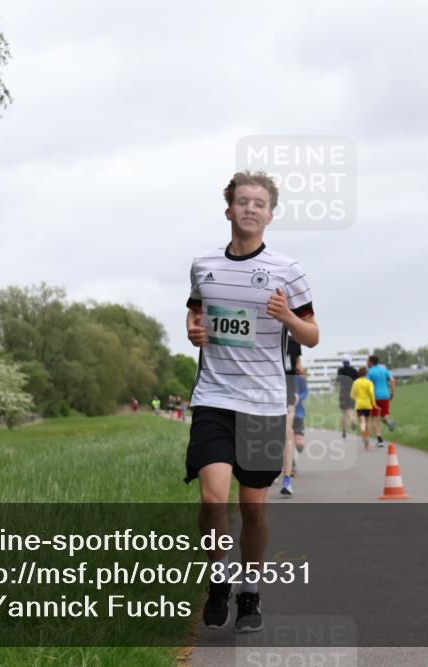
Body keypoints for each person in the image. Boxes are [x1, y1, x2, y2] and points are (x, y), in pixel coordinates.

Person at [185, 170, 318, 633]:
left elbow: (313, 334)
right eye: (242, 201)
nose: (250, 209)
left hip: (262, 402)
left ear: (270, 214)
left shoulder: (287, 270)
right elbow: (195, 309)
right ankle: (219, 579)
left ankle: (251, 592)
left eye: (259, 203)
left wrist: (287, 317)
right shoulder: (204, 265)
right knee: (212, 498)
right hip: (215, 398)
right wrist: (192, 329)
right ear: (229, 210)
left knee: (254, 508)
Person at [281, 337, 303, 496]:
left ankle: (286, 480)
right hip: (265, 391)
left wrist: (299, 368)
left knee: (287, 433)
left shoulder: (295, 342)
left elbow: (299, 366)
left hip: (287, 392)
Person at [366, 355, 396, 446]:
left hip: (375, 397)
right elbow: (392, 380)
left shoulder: (370, 371)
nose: (367, 363)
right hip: (385, 396)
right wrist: (392, 393)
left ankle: (380, 440)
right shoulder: (384, 369)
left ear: (371, 362)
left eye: (367, 361)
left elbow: (367, 385)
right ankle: (388, 422)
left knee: (375, 419)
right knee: (383, 415)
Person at [350, 366, 376, 450]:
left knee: (362, 422)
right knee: (367, 422)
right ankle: (366, 440)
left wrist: (357, 398)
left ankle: (364, 435)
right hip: (368, 405)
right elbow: (372, 393)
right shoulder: (369, 382)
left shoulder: (355, 382)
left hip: (359, 405)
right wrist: (374, 403)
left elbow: (352, 395)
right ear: (366, 373)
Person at [336, 354, 359, 438]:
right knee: (351, 411)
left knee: (344, 414)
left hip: (343, 393)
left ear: (342, 362)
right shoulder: (354, 370)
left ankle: (344, 432)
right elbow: (357, 381)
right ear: (350, 361)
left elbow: (338, 381)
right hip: (352, 393)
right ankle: (353, 420)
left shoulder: (340, 370)